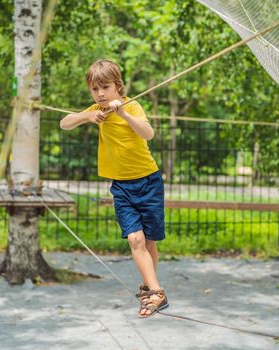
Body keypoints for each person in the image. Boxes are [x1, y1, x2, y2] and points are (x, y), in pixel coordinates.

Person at [59, 59, 168, 317]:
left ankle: (148, 287)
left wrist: (124, 114)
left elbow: (148, 133)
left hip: (149, 181)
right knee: (135, 238)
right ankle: (156, 293)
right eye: (94, 89)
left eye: (105, 87)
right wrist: (87, 116)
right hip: (121, 186)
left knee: (150, 242)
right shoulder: (96, 110)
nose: (100, 94)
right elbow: (65, 123)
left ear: (117, 86)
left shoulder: (132, 105)